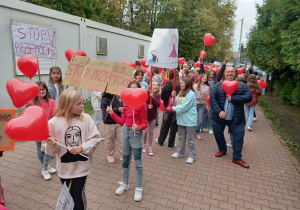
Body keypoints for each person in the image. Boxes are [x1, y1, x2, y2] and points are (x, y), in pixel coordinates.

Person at [42, 89, 102, 210]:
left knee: (78, 195)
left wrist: (82, 147)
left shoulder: (86, 119)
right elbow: (50, 150)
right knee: (69, 196)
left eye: (81, 102)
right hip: (64, 169)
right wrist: (52, 144)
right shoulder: (52, 123)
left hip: (81, 168)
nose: (82, 105)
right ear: (68, 105)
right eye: (79, 103)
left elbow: (96, 139)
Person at [107, 80, 147, 202]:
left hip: (136, 135)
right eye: (131, 89)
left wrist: (139, 127)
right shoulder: (127, 105)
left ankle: (139, 188)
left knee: (138, 163)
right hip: (125, 132)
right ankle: (125, 183)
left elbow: (145, 123)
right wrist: (112, 113)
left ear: (139, 90)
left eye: (136, 89)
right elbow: (122, 121)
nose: (133, 91)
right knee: (125, 160)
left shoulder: (142, 105)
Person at [210, 66, 252, 168]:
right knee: (218, 134)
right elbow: (212, 98)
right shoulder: (218, 85)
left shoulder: (242, 86)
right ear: (224, 73)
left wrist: (233, 98)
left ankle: (237, 158)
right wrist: (219, 111)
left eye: (232, 72)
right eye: (228, 72)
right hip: (219, 117)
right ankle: (222, 149)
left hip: (236, 118)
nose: (230, 73)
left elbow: (249, 97)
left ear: (235, 74)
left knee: (238, 137)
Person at [25, 81, 56, 180]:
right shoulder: (31, 102)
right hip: (36, 130)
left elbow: (53, 114)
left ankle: (44, 169)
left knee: (47, 149)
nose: (41, 91)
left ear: (46, 90)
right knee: (40, 149)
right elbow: (27, 115)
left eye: (43, 89)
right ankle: (46, 166)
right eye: (39, 90)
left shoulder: (51, 101)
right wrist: (26, 107)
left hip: (47, 129)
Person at [170, 77, 197, 164]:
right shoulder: (180, 93)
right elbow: (174, 103)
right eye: (180, 83)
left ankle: (192, 155)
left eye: (182, 83)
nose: (180, 84)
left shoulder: (191, 94)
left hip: (190, 120)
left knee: (191, 139)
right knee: (181, 137)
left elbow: (184, 106)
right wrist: (173, 97)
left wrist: (173, 108)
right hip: (181, 119)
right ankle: (181, 152)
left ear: (187, 83)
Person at [201, 57, 228, 134]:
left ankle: (210, 127)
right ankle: (201, 127)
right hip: (203, 99)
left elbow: (221, 71)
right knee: (202, 114)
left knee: (210, 114)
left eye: (213, 74)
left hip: (212, 100)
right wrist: (201, 63)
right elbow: (202, 71)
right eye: (210, 74)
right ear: (208, 74)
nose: (211, 75)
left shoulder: (217, 79)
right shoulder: (205, 79)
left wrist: (224, 63)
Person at [156, 69, 180, 149]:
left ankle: (161, 140)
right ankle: (171, 143)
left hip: (167, 108)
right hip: (176, 108)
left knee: (165, 125)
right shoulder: (179, 85)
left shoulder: (167, 84)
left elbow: (162, 96)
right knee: (173, 126)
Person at [101, 93, 124, 163]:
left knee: (121, 139)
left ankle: (122, 153)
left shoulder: (118, 98)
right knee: (109, 139)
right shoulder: (105, 100)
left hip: (119, 122)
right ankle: (110, 154)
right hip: (109, 122)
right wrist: (118, 110)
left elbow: (123, 108)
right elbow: (106, 113)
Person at [143, 81, 161, 156]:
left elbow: (158, 104)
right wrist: (147, 105)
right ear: (151, 86)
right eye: (153, 85)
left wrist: (153, 97)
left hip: (153, 116)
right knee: (145, 131)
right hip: (146, 115)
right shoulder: (147, 93)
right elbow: (143, 102)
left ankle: (150, 147)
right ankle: (144, 144)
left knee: (151, 132)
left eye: (157, 85)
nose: (155, 86)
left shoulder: (158, 95)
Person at [193, 74, 210, 140]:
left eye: (206, 77)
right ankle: (189, 132)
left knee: (199, 120)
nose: (205, 78)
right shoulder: (195, 86)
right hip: (194, 104)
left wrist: (207, 106)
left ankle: (196, 133)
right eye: (203, 77)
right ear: (200, 78)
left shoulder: (207, 87)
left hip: (202, 105)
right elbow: (191, 94)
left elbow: (207, 98)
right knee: (192, 119)